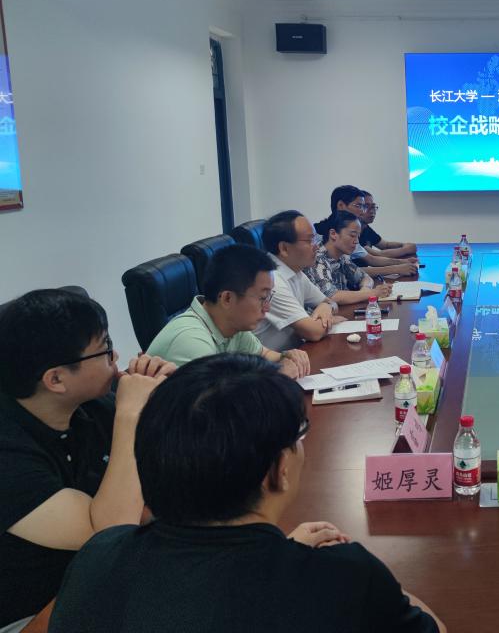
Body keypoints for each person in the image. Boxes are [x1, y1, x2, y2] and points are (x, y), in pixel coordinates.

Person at [49, 354, 445, 633]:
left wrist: (277, 553)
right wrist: (376, 586)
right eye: (299, 437)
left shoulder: (98, 557)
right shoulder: (344, 578)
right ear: (280, 468)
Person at [0, 289, 174, 631]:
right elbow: (108, 534)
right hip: (34, 615)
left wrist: (169, 395)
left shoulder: (90, 407)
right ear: (56, 379)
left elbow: (170, 473)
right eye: (106, 348)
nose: (116, 357)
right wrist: (131, 414)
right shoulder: (8, 454)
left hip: (105, 578)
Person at [146, 244, 311, 378]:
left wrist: (287, 356)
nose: (267, 308)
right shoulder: (192, 343)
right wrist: (276, 375)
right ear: (227, 299)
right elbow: (218, 404)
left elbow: (267, 356)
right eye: (262, 298)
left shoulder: (232, 326)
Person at [254, 210, 345, 352]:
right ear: (284, 248)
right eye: (309, 241)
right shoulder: (271, 280)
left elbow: (330, 302)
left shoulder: (295, 270)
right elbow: (314, 332)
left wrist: (326, 307)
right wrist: (329, 318)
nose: (316, 246)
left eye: (315, 239)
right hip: (272, 362)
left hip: (297, 353)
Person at [306, 210, 392, 305]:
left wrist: (365, 290)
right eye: (352, 235)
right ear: (333, 234)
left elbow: (365, 277)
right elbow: (332, 296)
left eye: (358, 236)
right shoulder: (318, 259)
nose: (356, 241)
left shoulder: (342, 257)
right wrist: (372, 293)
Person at [329, 185, 417, 278]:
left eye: (364, 207)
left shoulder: (352, 229)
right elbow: (347, 272)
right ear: (341, 206)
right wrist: (396, 268)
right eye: (359, 206)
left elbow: (368, 260)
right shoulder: (325, 233)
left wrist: (403, 262)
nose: (362, 211)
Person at [360, 191, 417, 258]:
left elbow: (385, 245)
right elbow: (377, 255)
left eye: (373, 206)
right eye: (366, 206)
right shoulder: (354, 232)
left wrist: (404, 245)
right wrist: (405, 250)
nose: (372, 211)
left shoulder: (366, 228)